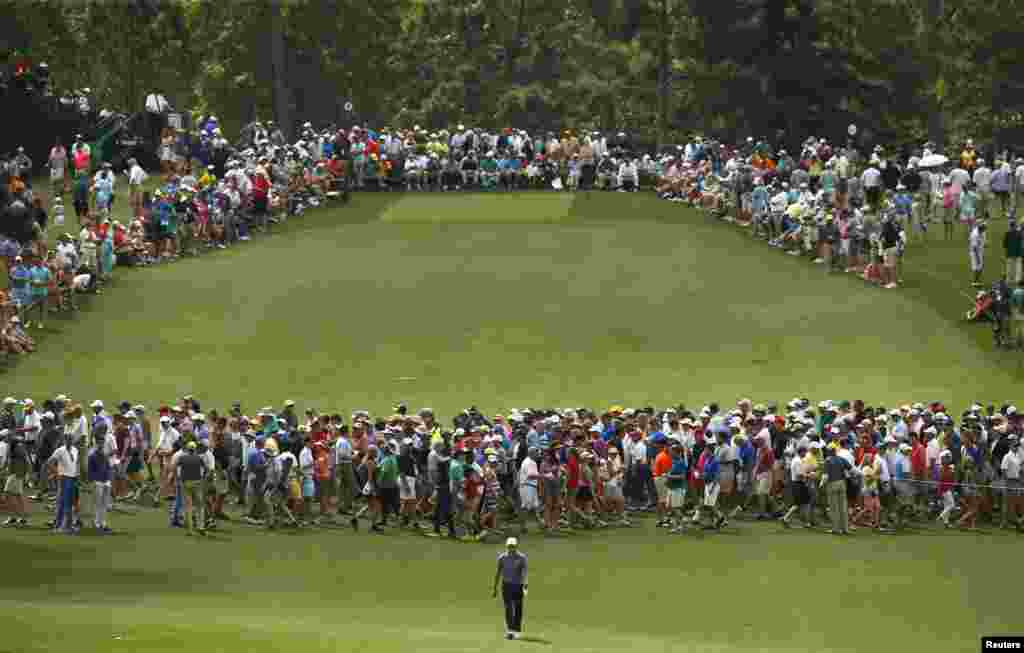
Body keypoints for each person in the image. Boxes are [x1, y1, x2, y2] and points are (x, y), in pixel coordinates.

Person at [492, 536, 528, 640]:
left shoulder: (522, 558)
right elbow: (498, 573)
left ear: (516, 546)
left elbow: (524, 572)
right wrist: (495, 588)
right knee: (508, 608)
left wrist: (525, 583)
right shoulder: (502, 558)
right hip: (506, 586)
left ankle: (517, 630)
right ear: (506, 546)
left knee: (518, 608)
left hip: (518, 586)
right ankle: (510, 631)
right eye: (509, 546)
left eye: (513, 546)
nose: (511, 548)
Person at [88, 437, 113, 534]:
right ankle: (97, 523)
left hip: (106, 481)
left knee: (104, 504)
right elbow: (90, 471)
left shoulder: (105, 455)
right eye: (99, 443)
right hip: (98, 481)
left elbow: (108, 467)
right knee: (98, 504)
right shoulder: (92, 455)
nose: (101, 445)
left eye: (102, 443)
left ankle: (103, 523)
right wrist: (93, 481)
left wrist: (109, 480)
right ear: (96, 443)